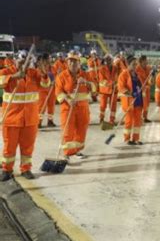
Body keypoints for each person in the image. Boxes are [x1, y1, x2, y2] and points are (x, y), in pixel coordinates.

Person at [0, 52, 50, 181]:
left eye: (26, 62)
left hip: (30, 119)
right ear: (15, 61)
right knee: (9, 146)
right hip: (11, 119)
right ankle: (7, 169)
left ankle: (26, 168)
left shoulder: (34, 73)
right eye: (21, 62)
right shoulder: (6, 71)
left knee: (28, 147)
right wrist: (13, 77)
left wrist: (44, 74)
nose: (24, 64)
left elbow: (46, 85)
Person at [55, 51, 95, 160]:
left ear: (79, 63)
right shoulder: (61, 76)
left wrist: (86, 82)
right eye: (70, 62)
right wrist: (68, 99)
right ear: (67, 63)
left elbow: (94, 88)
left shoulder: (85, 75)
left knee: (81, 129)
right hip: (68, 108)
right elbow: (58, 92)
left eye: (75, 62)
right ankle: (67, 152)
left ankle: (77, 151)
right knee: (68, 130)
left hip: (83, 108)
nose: (73, 64)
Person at [117, 56, 144, 145]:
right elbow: (121, 87)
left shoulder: (137, 75)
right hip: (129, 102)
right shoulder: (123, 74)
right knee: (128, 121)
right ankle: (127, 139)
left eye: (136, 64)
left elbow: (141, 85)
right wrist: (130, 93)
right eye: (133, 64)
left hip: (138, 101)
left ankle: (136, 139)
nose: (135, 66)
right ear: (128, 64)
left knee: (137, 121)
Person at [98, 54, 119, 124]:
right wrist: (111, 83)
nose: (108, 61)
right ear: (105, 61)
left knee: (113, 106)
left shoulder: (115, 68)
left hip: (114, 90)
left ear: (112, 60)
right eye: (107, 60)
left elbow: (117, 77)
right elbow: (102, 80)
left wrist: (116, 82)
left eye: (109, 59)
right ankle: (101, 119)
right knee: (103, 105)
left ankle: (112, 120)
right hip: (104, 90)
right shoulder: (101, 69)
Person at [38, 53, 57, 128]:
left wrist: (55, 80)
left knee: (51, 105)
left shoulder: (53, 68)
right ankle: (39, 122)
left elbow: (56, 76)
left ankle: (50, 121)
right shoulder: (40, 68)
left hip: (52, 89)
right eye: (49, 58)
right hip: (42, 89)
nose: (50, 60)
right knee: (41, 105)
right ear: (45, 59)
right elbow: (41, 77)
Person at [136, 55, 152, 123]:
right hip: (140, 89)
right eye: (145, 61)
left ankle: (145, 117)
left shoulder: (148, 68)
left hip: (147, 89)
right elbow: (137, 80)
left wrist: (150, 81)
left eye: (146, 60)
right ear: (141, 61)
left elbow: (149, 79)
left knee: (147, 103)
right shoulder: (137, 69)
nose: (146, 62)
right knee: (140, 104)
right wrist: (142, 86)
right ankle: (139, 118)